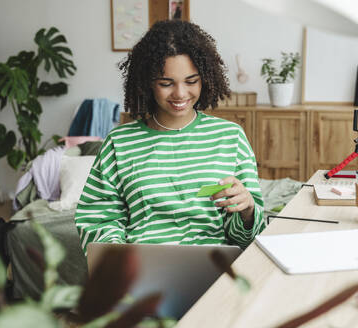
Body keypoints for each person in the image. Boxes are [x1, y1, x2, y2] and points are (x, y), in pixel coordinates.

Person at [75, 20, 265, 253]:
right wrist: (118, 261)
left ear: (205, 79)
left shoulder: (230, 136)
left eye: (191, 81)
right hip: (140, 272)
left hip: (216, 269)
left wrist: (247, 211)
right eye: (166, 83)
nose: (180, 94)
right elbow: (98, 217)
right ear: (148, 84)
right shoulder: (120, 142)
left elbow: (244, 239)